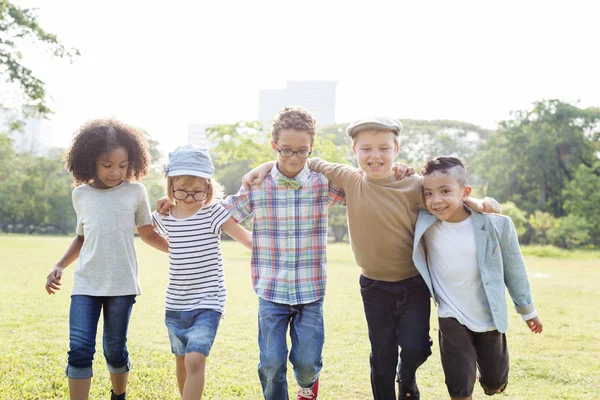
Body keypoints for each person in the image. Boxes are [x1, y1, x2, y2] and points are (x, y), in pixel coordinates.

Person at [243, 116, 500, 400]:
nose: (374, 155)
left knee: (416, 347)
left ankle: (407, 375)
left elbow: (444, 194)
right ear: (354, 152)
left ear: (396, 150)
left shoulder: (413, 184)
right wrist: (266, 166)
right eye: (366, 149)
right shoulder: (349, 178)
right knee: (382, 354)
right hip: (374, 286)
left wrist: (473, 202)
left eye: (383, 149)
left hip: (413, 282)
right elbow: (304, 162)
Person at [44, 119, 168, 400]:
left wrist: (180, 251)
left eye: (123, 165)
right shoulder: (80, 195)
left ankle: (118, 396)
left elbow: (148, 234)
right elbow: (81, 237)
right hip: (86, 284)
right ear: (90, 161)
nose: (116, 172)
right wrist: (59, 265)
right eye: (107, 164)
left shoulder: (136, 191)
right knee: (79, 348)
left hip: (122, 285)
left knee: (114, 349)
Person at [412, 156, 543, 400]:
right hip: (450, 314)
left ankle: (493, 382)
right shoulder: (425, 222)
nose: (436, 200)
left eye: (445, 191)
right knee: (459, 384)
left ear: (465, 192)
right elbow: (403, 189)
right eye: (429, 193)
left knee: (494, 382)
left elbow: (514, 269)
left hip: (488, 315)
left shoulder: (497, 225)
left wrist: (528, 311)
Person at [151, 144, 252, 399]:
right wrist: (170, 248)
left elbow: (246, 239)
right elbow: (143, 231)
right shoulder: (164, 216)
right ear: (170, 185)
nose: (189, 198)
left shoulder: (213, 213)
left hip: (208, 302)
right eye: (182, 191)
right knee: (182, 362)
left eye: (197, 192)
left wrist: (278, 248)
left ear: (208, 188)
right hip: (175, 303)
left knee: (195, 360)